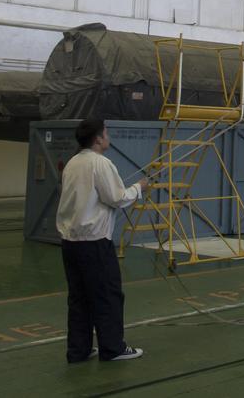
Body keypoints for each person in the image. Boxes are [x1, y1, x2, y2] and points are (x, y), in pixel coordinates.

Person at [57, 118, 148, 363]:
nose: (108, 136)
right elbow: (117, 198)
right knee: (107, 295)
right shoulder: (101, 163)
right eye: (106, 133)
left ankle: (79, 350)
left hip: (70, 242)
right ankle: (112, 348)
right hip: (94, 243)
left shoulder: (73, 163)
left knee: (79, 298)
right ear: (98, 138)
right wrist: (138, 187)